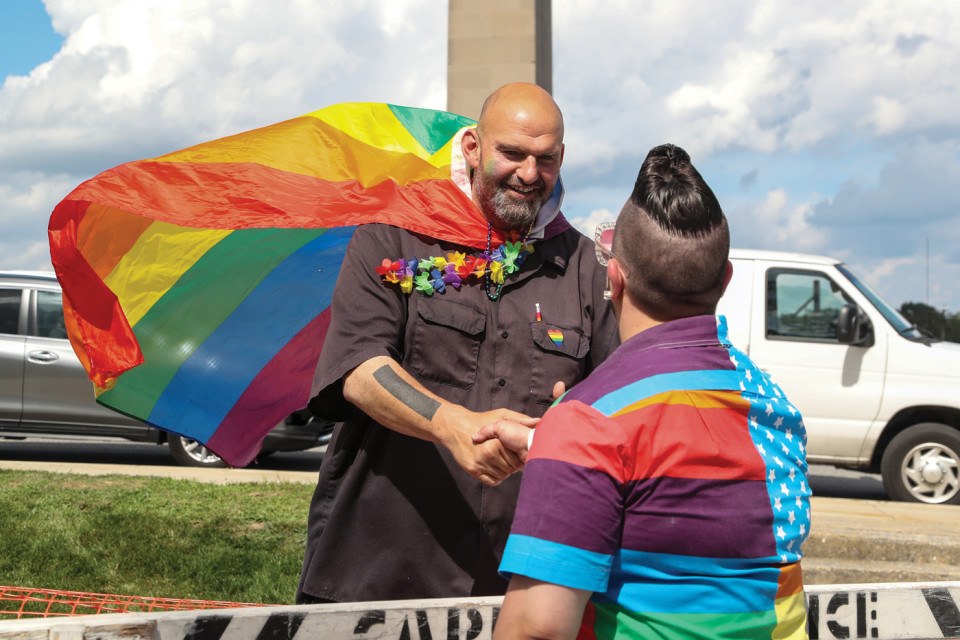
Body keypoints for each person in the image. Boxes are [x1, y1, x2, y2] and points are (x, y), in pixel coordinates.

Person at [296, 82, 619, 604]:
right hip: (376, 571)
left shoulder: (584, 268)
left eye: (546, 159)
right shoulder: (393, 235)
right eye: (511, 153)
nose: (529, 175)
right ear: (472, 148)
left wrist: (575, 420)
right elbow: (358, 367)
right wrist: (452, 425)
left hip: (518, 587)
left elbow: (617, 408)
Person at [484, 144, 811, 639]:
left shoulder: (589, 422)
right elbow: (684, 481)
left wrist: (563, 442)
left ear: (613, 277)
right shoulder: (772, 405)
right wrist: (547, 445)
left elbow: (536, 631)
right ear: (724, 280)